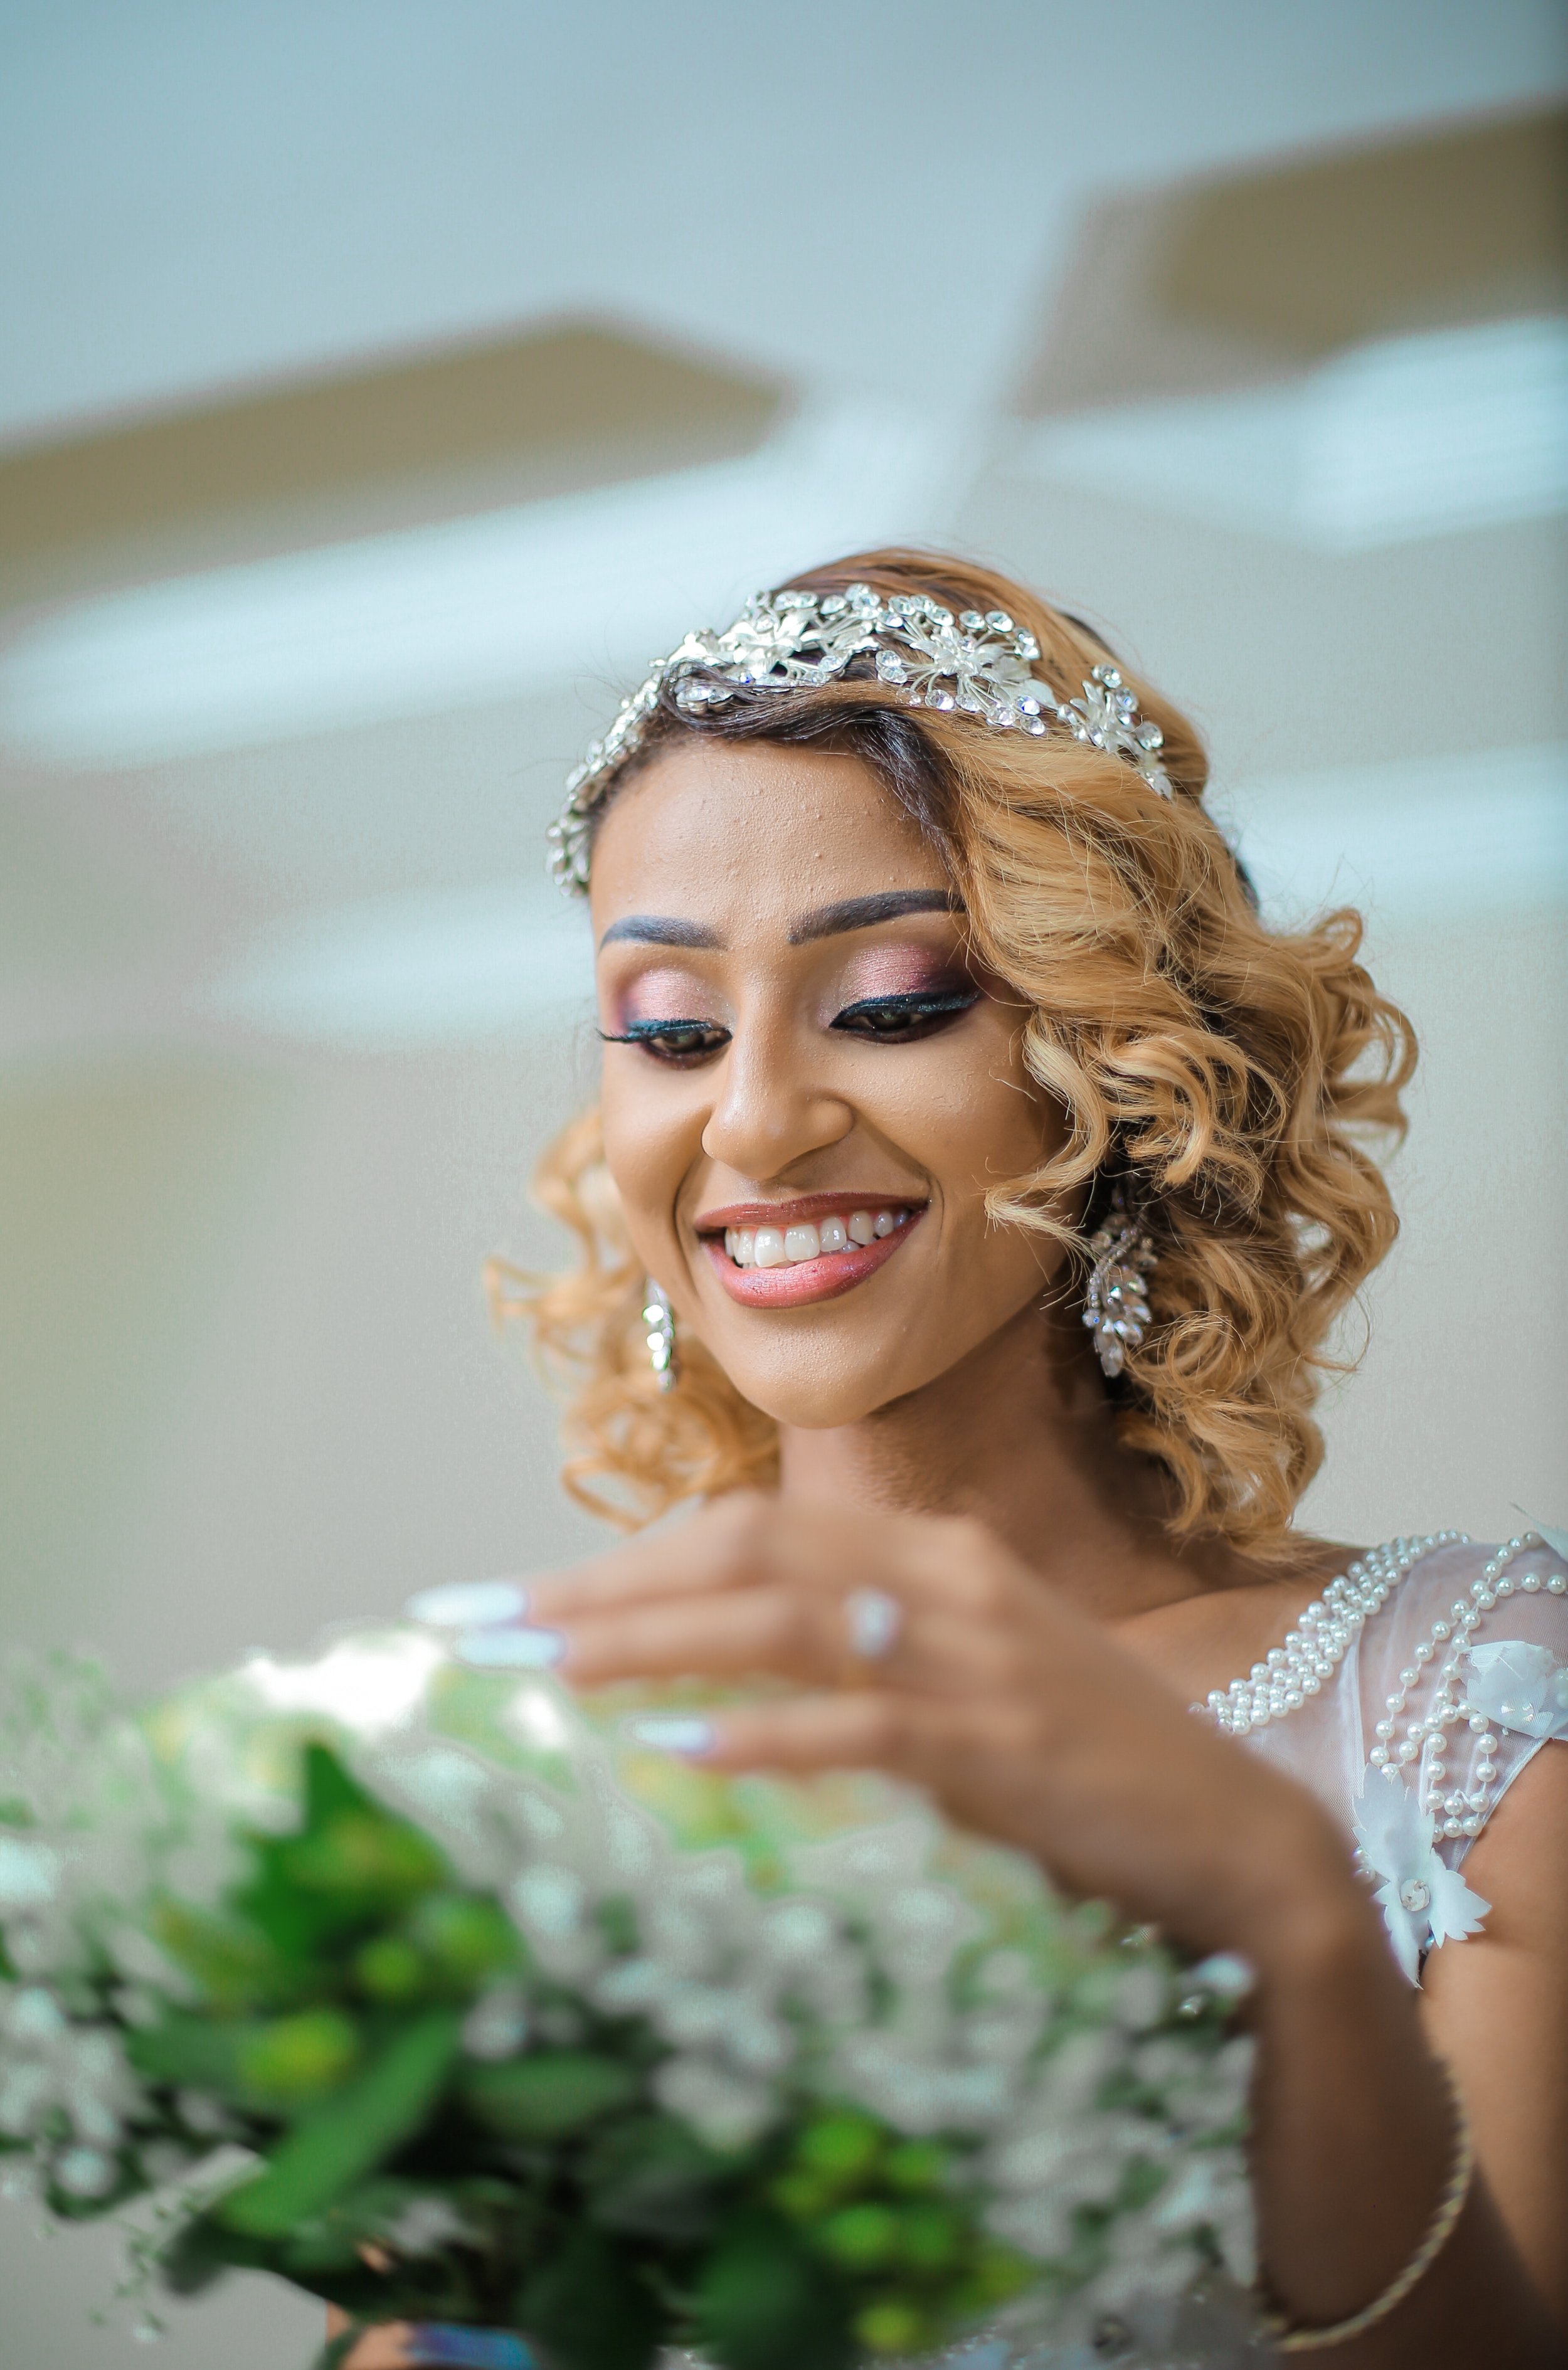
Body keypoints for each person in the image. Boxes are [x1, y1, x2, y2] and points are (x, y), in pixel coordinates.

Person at [347, 552, 1567, 2367]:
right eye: (670, 1030)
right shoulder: (516, 1760)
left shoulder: (1470, 1702)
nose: (753, 1117)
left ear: (1121, 1066)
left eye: (894, 1001)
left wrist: (1285, 1913)